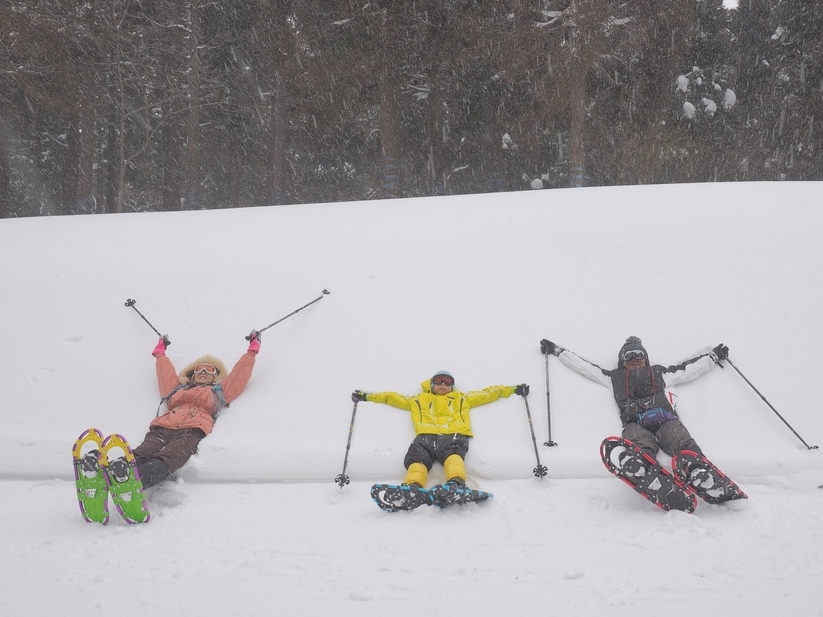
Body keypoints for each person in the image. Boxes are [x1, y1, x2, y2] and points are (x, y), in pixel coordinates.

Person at [539, 336, 728, 484]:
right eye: (629, 356)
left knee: (678, 437)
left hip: (666, 420)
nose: (635, 359)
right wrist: (558, 351)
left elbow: (690, 369)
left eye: (639, 355)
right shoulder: (614, 378)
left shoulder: (660, 373)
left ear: (645, 358)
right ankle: (638, 464)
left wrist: (712, 357)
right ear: (622, 360)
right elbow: (584, 367)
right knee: (635, 438)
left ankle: (697, 469)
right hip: (636, 423)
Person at [352, 371, 529, 489]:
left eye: (448, 382)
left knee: (453, 457)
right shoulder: (417, 399)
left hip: (454, 434)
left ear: (452, 386)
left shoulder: (462, 398)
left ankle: (456, 483)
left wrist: (512, 390)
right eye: (439, 381)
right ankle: (413, 485)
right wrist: (367, 396)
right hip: (425, 436)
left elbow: (488, 393)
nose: (443, 384)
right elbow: (391, 398)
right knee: (418, 459)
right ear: (431, 385)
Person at [128, 332, 261, 489]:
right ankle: (120, 470)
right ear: (192, 375)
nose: (203, 373)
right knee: (145, 449)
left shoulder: (219, 392)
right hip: (163, 427)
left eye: (209, 370)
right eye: (200, 369)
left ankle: (140, 478)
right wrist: (160, 354)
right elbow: (165, 374)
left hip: (192, 431)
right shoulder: (177, 389)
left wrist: (252, 351)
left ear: (216, 377)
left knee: (173, 455)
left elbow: (239, 375)